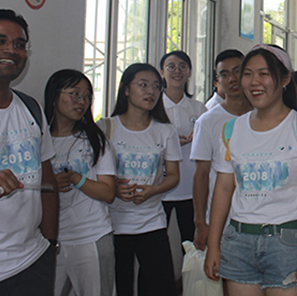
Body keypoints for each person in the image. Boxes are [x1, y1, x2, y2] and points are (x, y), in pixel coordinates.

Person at [204, 44, 297, 295]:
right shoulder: (231, 130)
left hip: (288, 242)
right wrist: (213, 245)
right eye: (247, 74)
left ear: (284, 79)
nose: (254, 82)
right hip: (238, 241)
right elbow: (223, 190)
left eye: (264, 73)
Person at [100, 63, 181, 296]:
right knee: (120, 286)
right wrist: (113, 188)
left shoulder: (165, 130)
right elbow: (94, 174)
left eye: (156, 86)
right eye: (143, 85)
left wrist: (153, 190)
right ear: (126, 89)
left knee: (160, 287)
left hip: (152, 221)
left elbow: (173, 176)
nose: (151, 92)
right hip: (113, 223)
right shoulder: (106, 127)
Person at [0, 9, 59, 296]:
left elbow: (47, 182)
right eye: (0, 41)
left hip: (32, 262)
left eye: (19, 44)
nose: (11, 50)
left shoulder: (31, 109)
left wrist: (50, 243)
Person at [45, 69, 116, 296]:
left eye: (86, 97)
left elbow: (108, 193)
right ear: (54, 96)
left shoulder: (94, 140)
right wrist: (51, 184)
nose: (81, 101)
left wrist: (77, 178)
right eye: (74, 94)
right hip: (50, 239)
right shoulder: (39, 139)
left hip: (91, 237)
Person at [191, 49, 251, 251]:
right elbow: (201, 175)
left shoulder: (264, 115)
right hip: (222, 220)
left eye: (237, 71)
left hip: (260, 217)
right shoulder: (208, 121)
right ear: (218, 81)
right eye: (224, 74)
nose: (232, 79)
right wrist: (200, 222)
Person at [159, 51, 207, 246]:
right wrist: (170, 143)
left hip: (191, 189)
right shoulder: (154, 107)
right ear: (162, 72)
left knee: (191, 245)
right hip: (160, 189)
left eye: (182, 67)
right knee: (157, 245)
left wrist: (200, 137)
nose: (177, 71)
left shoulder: (198, 108)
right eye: (171, 67)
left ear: (189, 72)